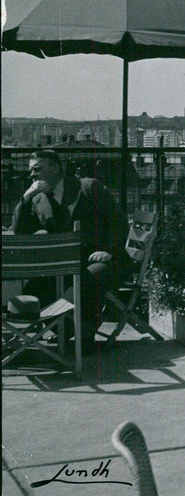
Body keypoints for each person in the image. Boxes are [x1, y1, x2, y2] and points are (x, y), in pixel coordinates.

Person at [11, 150, 130, 351]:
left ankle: (84, 337)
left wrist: (109, 251)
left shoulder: (88, 187)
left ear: (55, 168)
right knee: (34, 288)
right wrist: (25, 199)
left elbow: (118, 221)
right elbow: (19, 231)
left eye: (37, 169)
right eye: (31, 171)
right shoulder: (38, 199)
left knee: (86, 281)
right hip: (66, 263)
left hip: (101, 260)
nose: (32, 175)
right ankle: (63, 330)